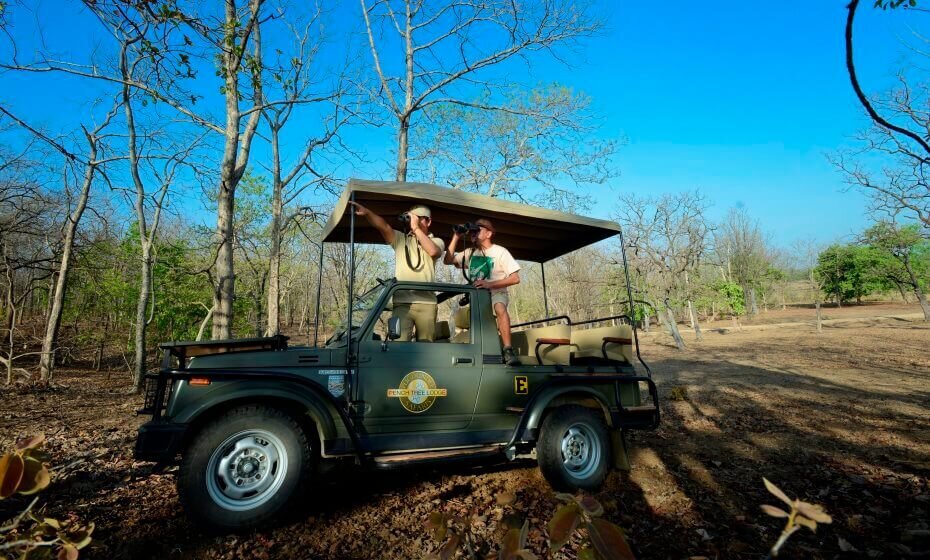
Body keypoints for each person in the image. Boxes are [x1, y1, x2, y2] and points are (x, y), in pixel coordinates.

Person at [348, 201, 445, 341]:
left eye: (418, 217)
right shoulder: (401, 239)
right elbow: (384, 226)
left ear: (428, 221)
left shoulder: (437, 241)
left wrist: (416, 228)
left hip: (427, 303)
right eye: (411, 217)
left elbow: (433, 251)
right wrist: (367, 212)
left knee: (426, 347)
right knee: (398, 345)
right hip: (402, 303)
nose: (413, 220)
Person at [444, 218, 521, 365]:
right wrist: (456, 236)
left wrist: (490, 284)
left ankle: (508, 349)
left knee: (499, 307)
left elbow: (515, 278)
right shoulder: (470, 252)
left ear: (489, 234)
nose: (473, 233)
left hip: (496, 292)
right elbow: (447, 260)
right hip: (477, 297)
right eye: (472, 231)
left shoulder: (500, 252)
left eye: (478, 230)